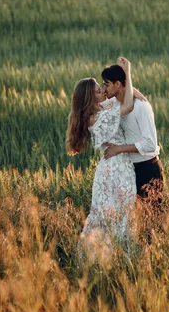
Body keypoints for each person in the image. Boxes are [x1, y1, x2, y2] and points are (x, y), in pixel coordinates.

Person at [66, 58, 138, 263]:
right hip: (115, 170)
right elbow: (129, 104)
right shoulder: (97, 117)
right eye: (99, 90)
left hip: (116, 166)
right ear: (91, 97)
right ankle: (107, 260)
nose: (103, 91)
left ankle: (112, 259)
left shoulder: (100, 110)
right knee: (114, 214)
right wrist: (127, 73)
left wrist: (124, 85)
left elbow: (125, 96)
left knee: (116, 214)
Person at [101, 64, 163, 206]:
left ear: (117, 84)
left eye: (107, 84)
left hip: (148, 170)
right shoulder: (114, 104)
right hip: (129, 171)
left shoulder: (141, 106)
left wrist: (118, 149)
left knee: (153, 220)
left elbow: (150, 144)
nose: (104, 89)